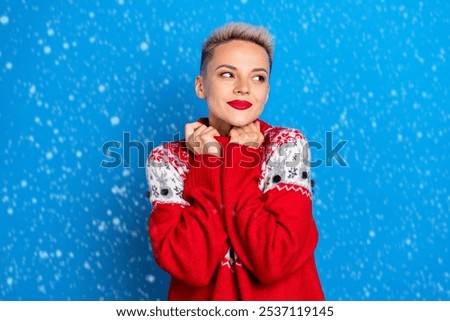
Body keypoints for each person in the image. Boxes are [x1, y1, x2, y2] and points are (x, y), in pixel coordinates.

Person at [146, 22, 324, 300]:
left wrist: (239, 160)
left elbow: (273, 260)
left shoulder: (286, 145)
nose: (243, 88)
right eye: (228, 74)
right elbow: (191, 265)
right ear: (201, 86)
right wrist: (208, 161)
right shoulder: (167, 160)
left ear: (266, 91)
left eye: (258, 78)